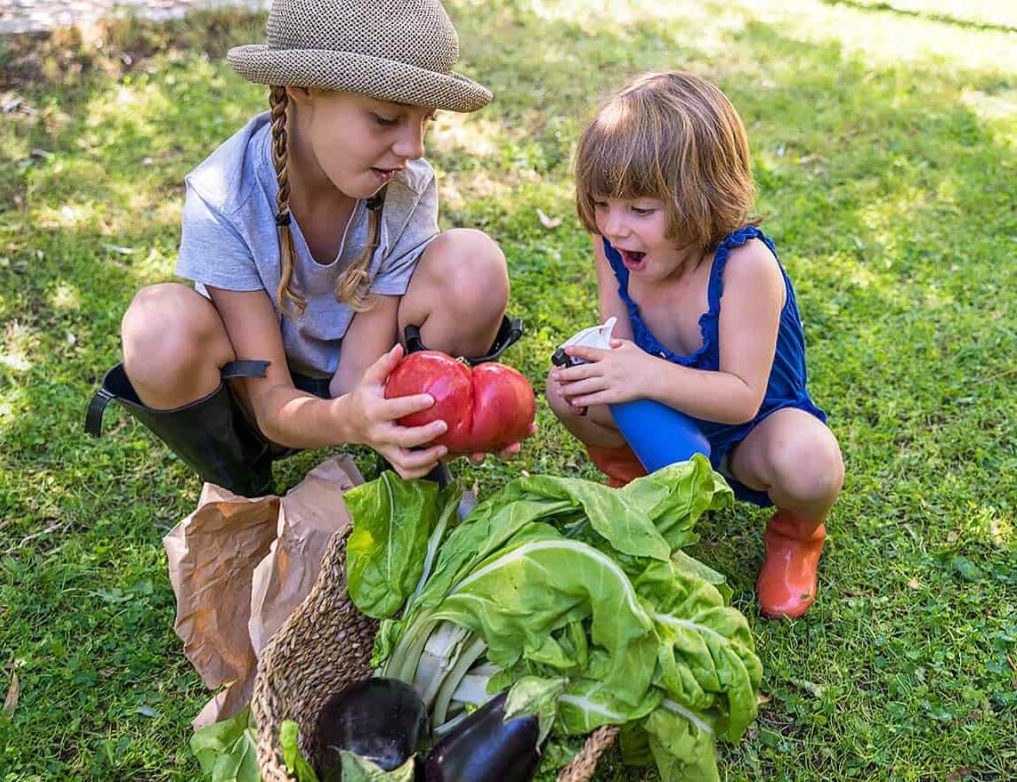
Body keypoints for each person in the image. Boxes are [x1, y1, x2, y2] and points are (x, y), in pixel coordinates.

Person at [85, 0, 530, 498]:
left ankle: (412, 459)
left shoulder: (406, 185)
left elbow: (355, 378)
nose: (414, 148)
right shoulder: (223, 193)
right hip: (258, 401)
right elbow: (273, 406)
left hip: (370, 380)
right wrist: (345, 417)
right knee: (157, 322)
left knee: (475, 263)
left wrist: (435, 409)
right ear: (303, 87)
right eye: (386, 118)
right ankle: (242, 486)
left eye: (424, 120)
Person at [547, 71, 844, 620]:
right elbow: (619, 342)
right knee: (569, 386)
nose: (614, 226)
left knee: (811, 462)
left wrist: (644, 375)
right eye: (602, 202)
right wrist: (598, 365)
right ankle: (635, 482)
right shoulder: (615, 243)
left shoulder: (745, 267)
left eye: (640, 209)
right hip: (667, 418)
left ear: (699, 201)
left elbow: (742, 397)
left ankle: (797, 535)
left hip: (753, 429)